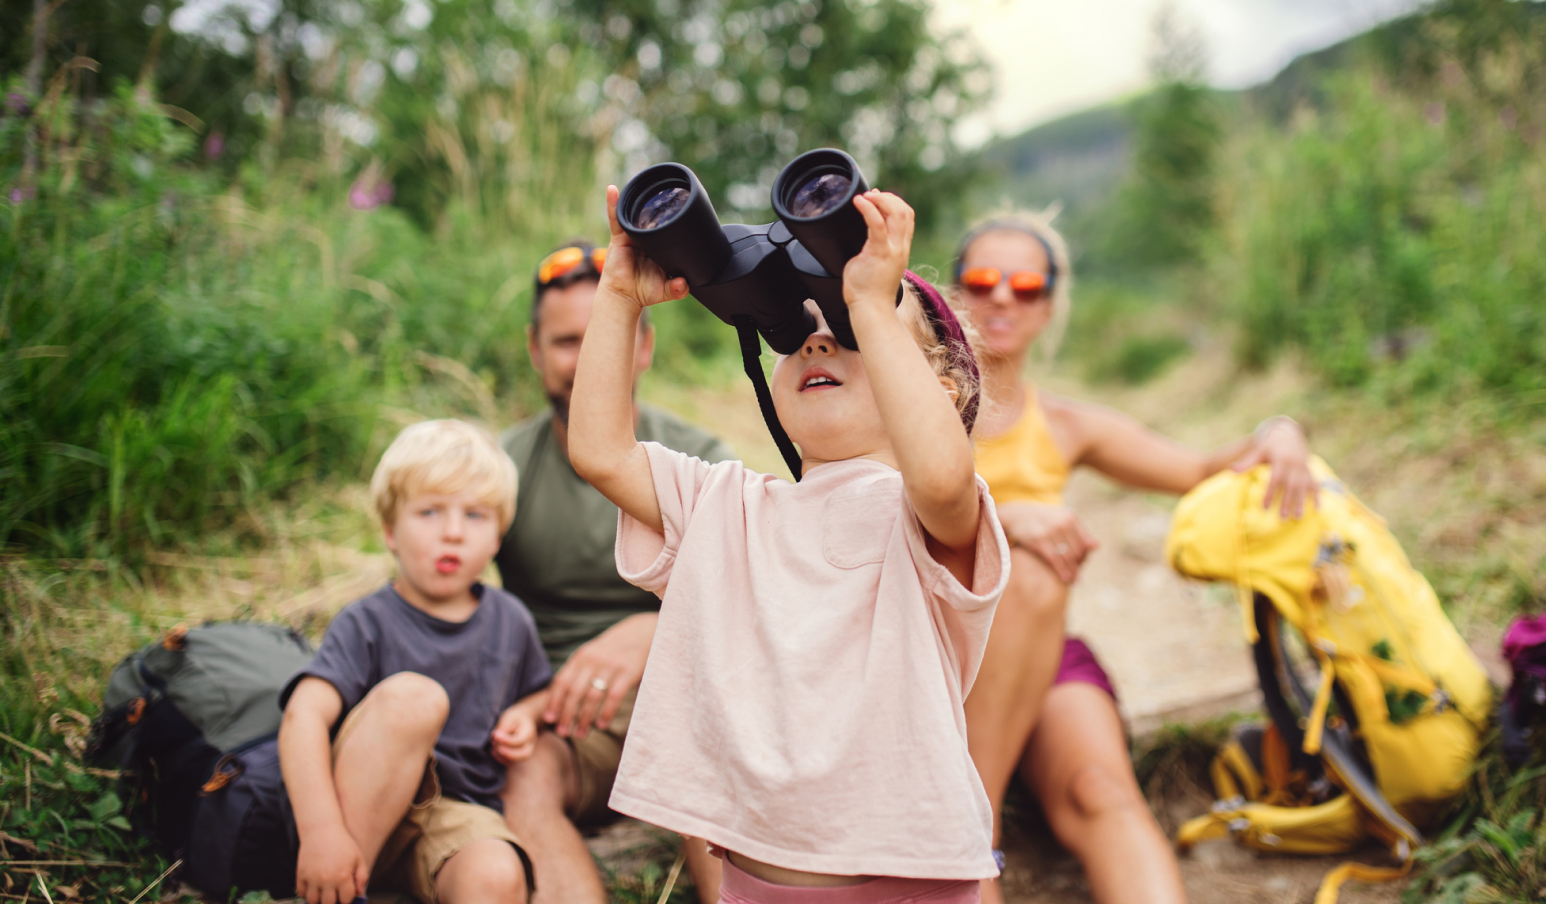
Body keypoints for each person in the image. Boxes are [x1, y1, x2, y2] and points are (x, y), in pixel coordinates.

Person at [569, 185, 1008, 904]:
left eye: (849, 329)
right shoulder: (725, 508)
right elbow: (601, 452)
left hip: (909, 883)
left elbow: (940, 469)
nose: (817, 339)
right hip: (754, 881)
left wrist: (870, 299)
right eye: (792, 332)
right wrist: (618, 294)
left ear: (943, 389)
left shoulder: (924, 517)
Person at [949, 214, 1319, 904]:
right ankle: (972, 830)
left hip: (1035, 651)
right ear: (951, 293)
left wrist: (1280, 431)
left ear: (1049, 307)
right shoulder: (911, 411)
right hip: (929, 650)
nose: (1002, 299)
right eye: (982, 281)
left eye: (1026, 286)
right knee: (1028, 566)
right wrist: (997, 519)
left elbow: (1201, 468)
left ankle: (969, 827)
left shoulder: (1062, 425)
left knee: (1101, 791)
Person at [494, 242, 735, 904]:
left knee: (705, 730)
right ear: (536, 350)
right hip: (567, 720)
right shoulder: (500, 467)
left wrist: (648, 633)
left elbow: (750, 599)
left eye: (607, 333)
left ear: (645, 346)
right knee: (523, 777)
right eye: (568, 341)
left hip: (691, 699)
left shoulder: (702, 458)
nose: (583, 360)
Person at [275, 419, 556, 904]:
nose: (452, 533)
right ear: (389, 530)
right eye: (428, 512)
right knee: (414, 699)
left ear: (497, 538)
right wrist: (322, 831)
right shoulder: (367, 621)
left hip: (456, 812)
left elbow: (538, 690)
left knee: (496, 874)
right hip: (360, 809)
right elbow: (303, 716)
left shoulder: (510, 619)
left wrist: (525, 716)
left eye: (474, 516)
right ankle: (335, 889)